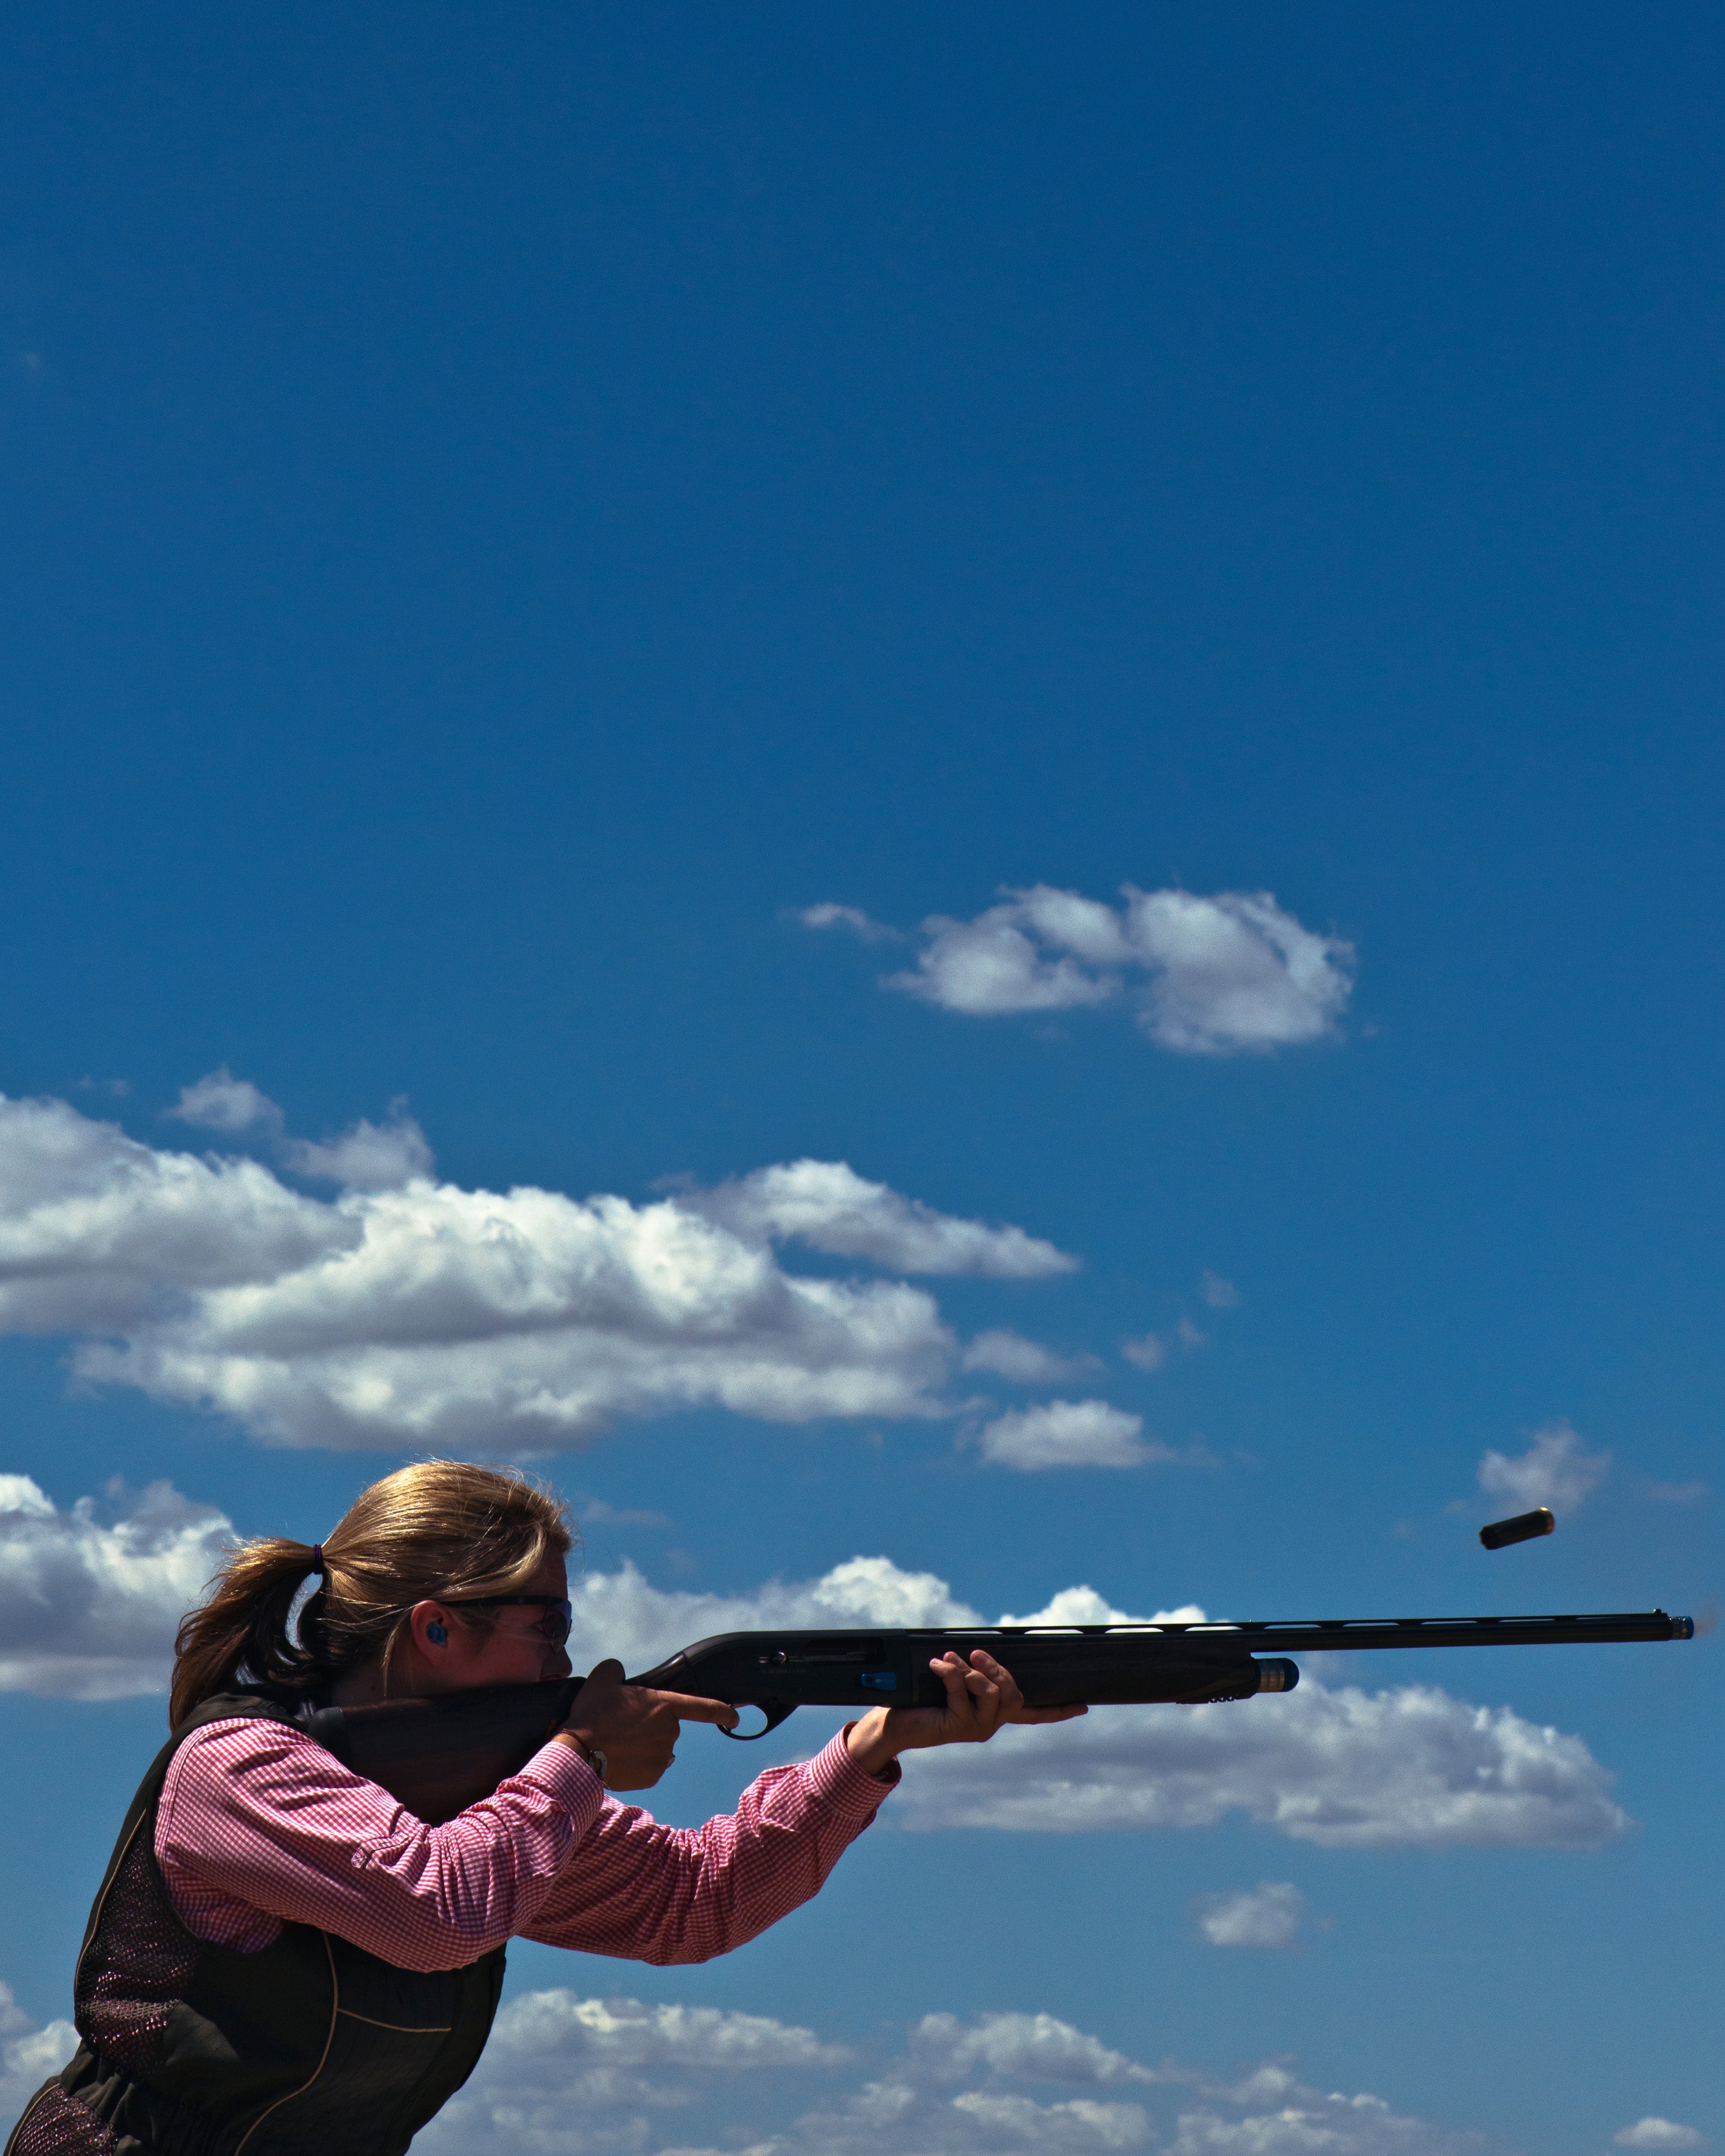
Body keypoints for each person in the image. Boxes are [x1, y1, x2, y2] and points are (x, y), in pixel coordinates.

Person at [8, 1461, 1080, 2156]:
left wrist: (873, 1748)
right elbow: (435, 1911)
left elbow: (695, 1901)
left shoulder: (492, 1796)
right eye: (547, 1626)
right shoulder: (239, 1764)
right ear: (434, 1627)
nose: (572, 1657)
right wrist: (578, 1755)